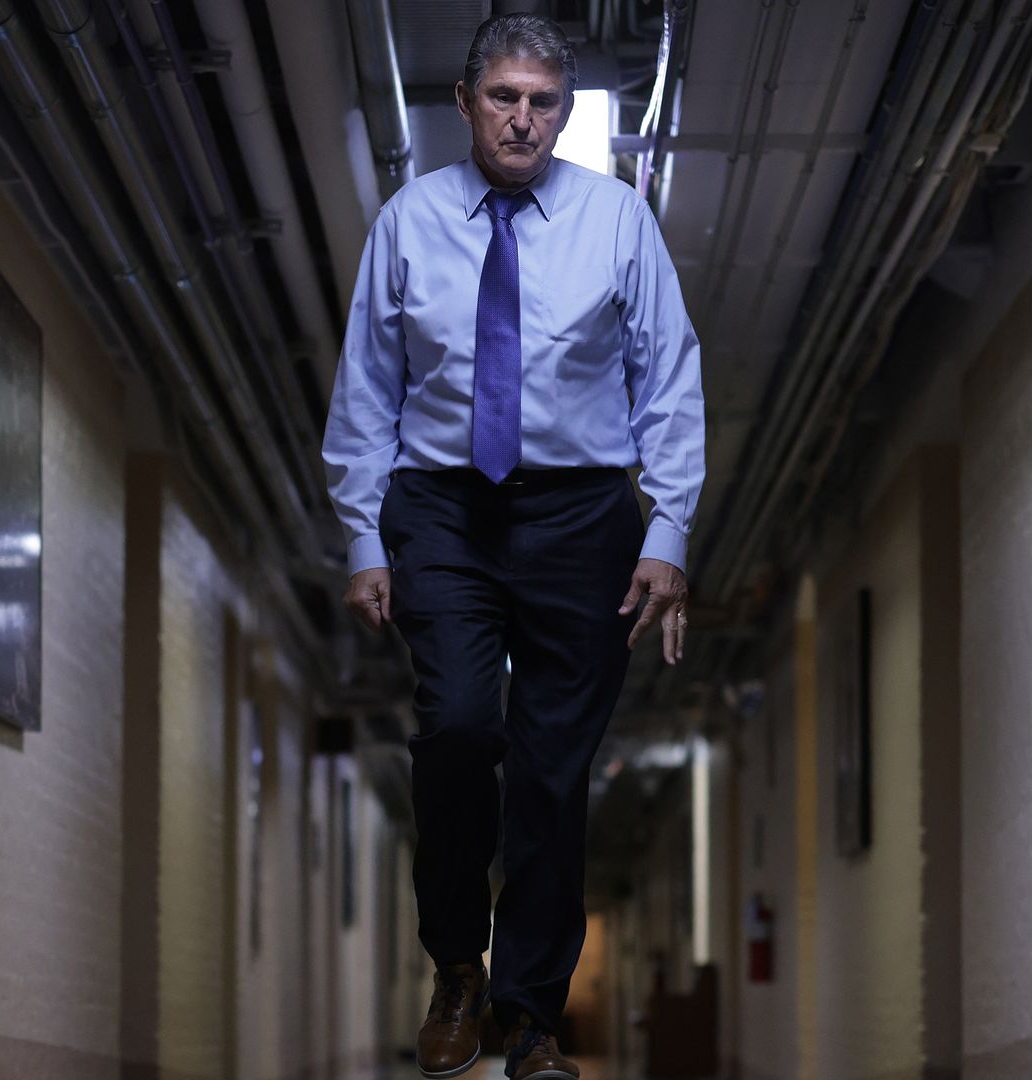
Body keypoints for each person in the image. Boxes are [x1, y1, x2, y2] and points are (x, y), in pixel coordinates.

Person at [321, 12, 705, 1080]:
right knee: (456, 725)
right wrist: (362, 537)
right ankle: (457, 962)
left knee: (550, 769)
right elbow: (368, 390)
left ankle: (529, 1016)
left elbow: (668, 377)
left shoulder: (617, 220)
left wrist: (668, 529)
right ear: (464, 103)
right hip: (443, 508)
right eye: (504, 98)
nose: (523, 120)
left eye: (544, 102)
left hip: (584, 518)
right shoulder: (409, 221)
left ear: (565, 112)